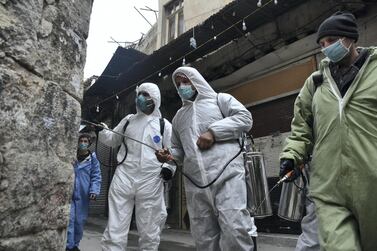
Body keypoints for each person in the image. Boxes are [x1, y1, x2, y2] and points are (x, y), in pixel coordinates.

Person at [279, 11, 377, 251]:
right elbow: (301, 127)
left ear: (350, 38)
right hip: (328, 185)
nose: (326, 48)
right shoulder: (315, 83)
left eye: (332, 41)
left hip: (372, 181)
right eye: (322, 44)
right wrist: (292, 154)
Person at [156, 66, 255, 251]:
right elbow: (178, 150)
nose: (182, 86)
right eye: (178, 84)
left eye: (186, 81)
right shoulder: (179, 117)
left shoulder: (220, 100)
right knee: (204, 237)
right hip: (196, 186)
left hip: (227, 176)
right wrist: (169, 156)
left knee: (235, 229)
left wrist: (213, 132)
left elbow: (244, 118)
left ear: (196, 80)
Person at [99, 82, 174, 251]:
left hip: (151, 180)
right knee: (115, 225)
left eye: (146, 94)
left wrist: (169, 169)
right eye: (140, 93)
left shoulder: (164, 125)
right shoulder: (128, 121)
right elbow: (113, 139)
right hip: (124, 176)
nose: (141, 97)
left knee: (149, 228)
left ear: (155, 99)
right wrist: (102, 130)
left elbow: (172, 152)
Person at [66, 134, 102, 251]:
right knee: (69, 220)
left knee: (79, 221)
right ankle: (69, 246)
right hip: (70, 194)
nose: (83, 143)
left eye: (85, 141)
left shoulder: (93, 159)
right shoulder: (72, 156)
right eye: (81, 140)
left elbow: (96, 176)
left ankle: (75, 244)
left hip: (83, 195)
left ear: (89, 143)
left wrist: (94, 191)